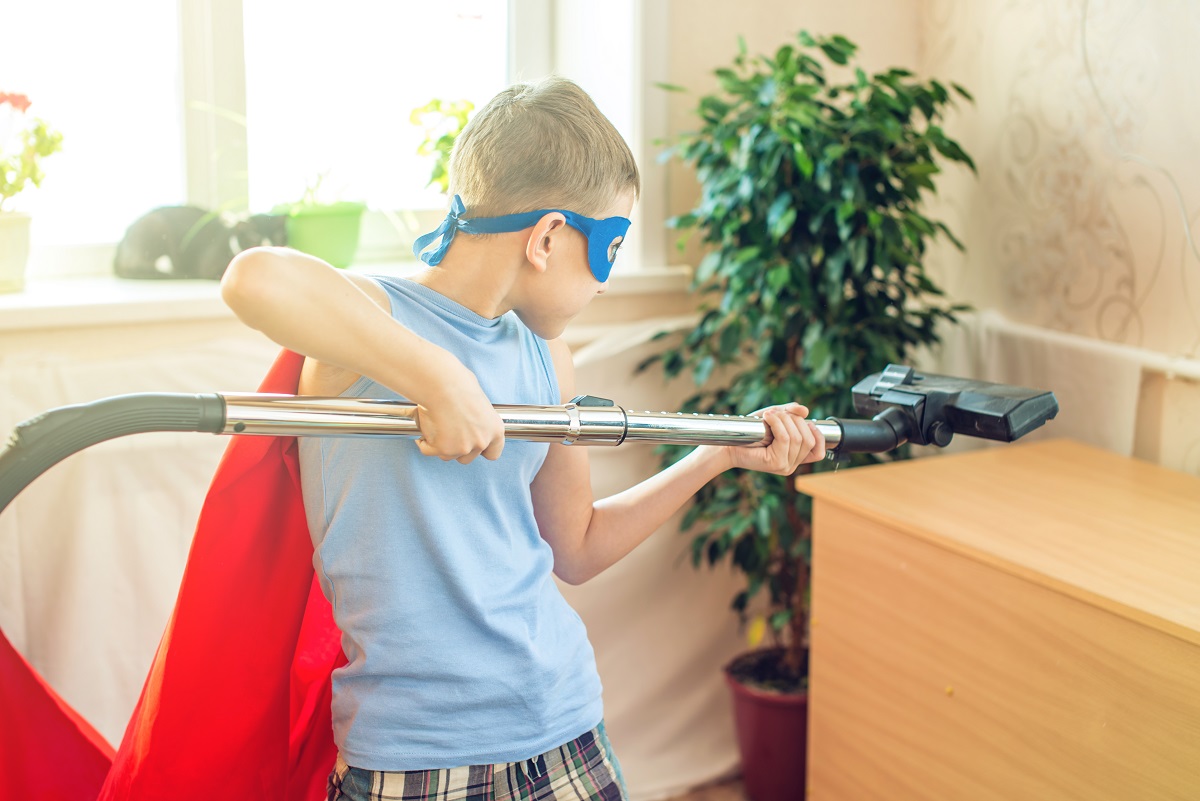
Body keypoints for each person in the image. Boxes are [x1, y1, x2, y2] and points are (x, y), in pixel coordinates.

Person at [221, 76, 825, 801]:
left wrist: (717, 455)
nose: (605, 282)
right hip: (414, 757)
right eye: (609, 246)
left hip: (564, 729)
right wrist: (437, 379)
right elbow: (254, 278)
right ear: (547, 237)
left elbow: (577, 547)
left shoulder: (547, 355)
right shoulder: (367, 324)